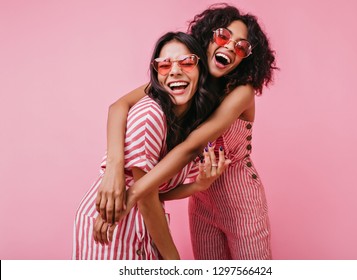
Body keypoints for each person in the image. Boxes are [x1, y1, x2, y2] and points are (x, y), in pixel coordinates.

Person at [96, 3, 277, 259]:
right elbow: (119, 106)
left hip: (242, 199)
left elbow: (192, 146)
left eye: (241, 46)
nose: (229, 47)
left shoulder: (242, 92)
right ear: (208, 36)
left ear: (246, 58)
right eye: (223, 36)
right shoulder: (185, 77)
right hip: (201, 195)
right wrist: (114, 169)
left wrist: (130, 196)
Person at [73, 31, 230, 260]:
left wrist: (197, 186)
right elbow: (146, 199)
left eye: (186, 62)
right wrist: (174, 263)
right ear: (157, 74)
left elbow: (155, 191)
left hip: (141, 229)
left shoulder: (188, 120)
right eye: (164, 65)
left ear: (200, 70)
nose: (175, 70)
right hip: (111, 228)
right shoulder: (150, 114)